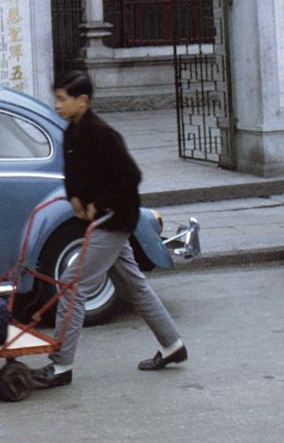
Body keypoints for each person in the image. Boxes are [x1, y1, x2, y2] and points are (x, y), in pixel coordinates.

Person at [33, 69, 187, 388]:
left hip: (113, 220)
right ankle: (173, 345)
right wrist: (75, 197)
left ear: (83, 101)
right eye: (56, 99)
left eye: (62, 99)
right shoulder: (72, 132)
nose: (57, 105)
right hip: (98, 218)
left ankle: (61, 365)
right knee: (134, 286)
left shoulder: (102, 134)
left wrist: (99, 203)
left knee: (71, 285)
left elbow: (130, 176)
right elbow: (72, 173)